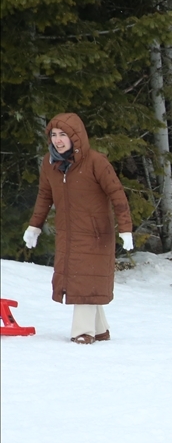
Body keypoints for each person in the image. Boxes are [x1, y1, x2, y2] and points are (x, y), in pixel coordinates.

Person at [22, 113, 133, 344]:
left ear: (76, 136)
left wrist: (126, 229)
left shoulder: (96, 162)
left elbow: (117, 194)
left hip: (95, 233)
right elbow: (44, 195)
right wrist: (34, 226)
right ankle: (99, 329)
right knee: (81, 279)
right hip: (68, 233)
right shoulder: (49, 163)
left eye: (63, 135)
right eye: (54, 135)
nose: (58, 140)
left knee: (84, 278)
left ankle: (82, 332)